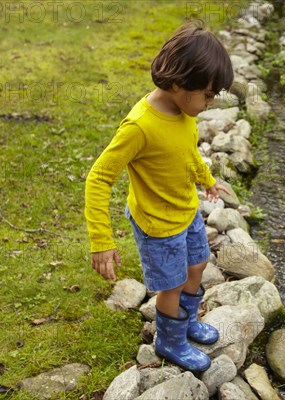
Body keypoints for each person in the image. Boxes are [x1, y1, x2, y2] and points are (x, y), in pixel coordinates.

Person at [84, 22, 233, 373]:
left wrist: (206, 179)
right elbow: (98, 179)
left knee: (197, 265)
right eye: (208, 95)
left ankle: (187, 319)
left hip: (185, 211)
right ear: (180, 83)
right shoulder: (139, 127)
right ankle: (170, 339)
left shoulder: (184, 111)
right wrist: (101, 241)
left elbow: (187, 151)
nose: (210, 103)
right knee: (173, 282)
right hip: (157, 223)